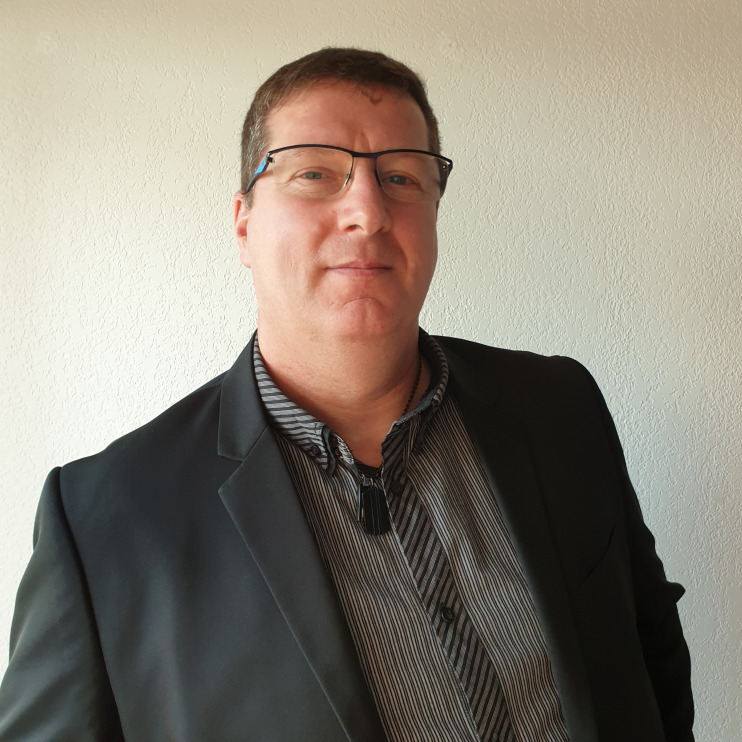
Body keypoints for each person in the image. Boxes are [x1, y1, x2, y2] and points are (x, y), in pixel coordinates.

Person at [0, 48, 693, 742]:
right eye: (313, 173)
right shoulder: (104, 524)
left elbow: (650, 654)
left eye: (400, 176)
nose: (367, 210)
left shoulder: (560, 406)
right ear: (243, 223)